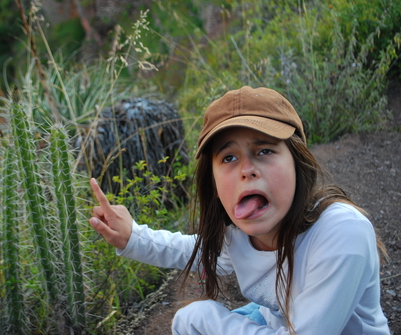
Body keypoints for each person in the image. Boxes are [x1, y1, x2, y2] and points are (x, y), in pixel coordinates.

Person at [89, 86, 390, 334]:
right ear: (215, 184)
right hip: (276, 321)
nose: (247, 169)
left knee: (195, 318)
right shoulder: (238, 236)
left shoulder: (342, 232)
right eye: (229, 158)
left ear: (298, 163)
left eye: (265, 150)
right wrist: (132, 237)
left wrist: (205, 316)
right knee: (188, 321)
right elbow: (193, 250)